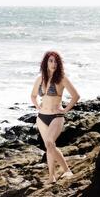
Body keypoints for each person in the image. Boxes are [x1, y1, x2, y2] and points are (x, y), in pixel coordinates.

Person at [31, 51, 80, 184]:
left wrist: (65, 110)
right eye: (51, 61)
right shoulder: (40, 79)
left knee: (50, 143)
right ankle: (51, 177)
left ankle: (67, 170)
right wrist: (37, 107)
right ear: (46, 63)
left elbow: (76, 96)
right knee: (49, 147)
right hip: (41, 118)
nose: (53, 64)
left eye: (56, 61)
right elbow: (33, 96)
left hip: (56, 116)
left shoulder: (62, 78)